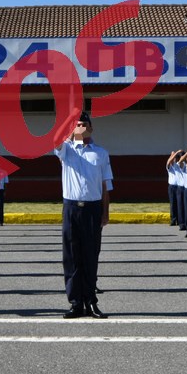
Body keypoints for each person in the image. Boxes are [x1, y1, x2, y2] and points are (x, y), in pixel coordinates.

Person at [54, 111, 112, 319]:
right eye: (77, 124)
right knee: (72, 257)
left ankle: (90, 301)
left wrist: (105, 212)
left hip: (93, 209)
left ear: (91, 128)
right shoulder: (67, 150)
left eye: (84, 124)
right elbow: (55, 140)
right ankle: (76, 303)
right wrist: (68, 123)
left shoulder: (101, 153)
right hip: (71, 208)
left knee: (90, 256)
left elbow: (105, 186)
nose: (81, 127)